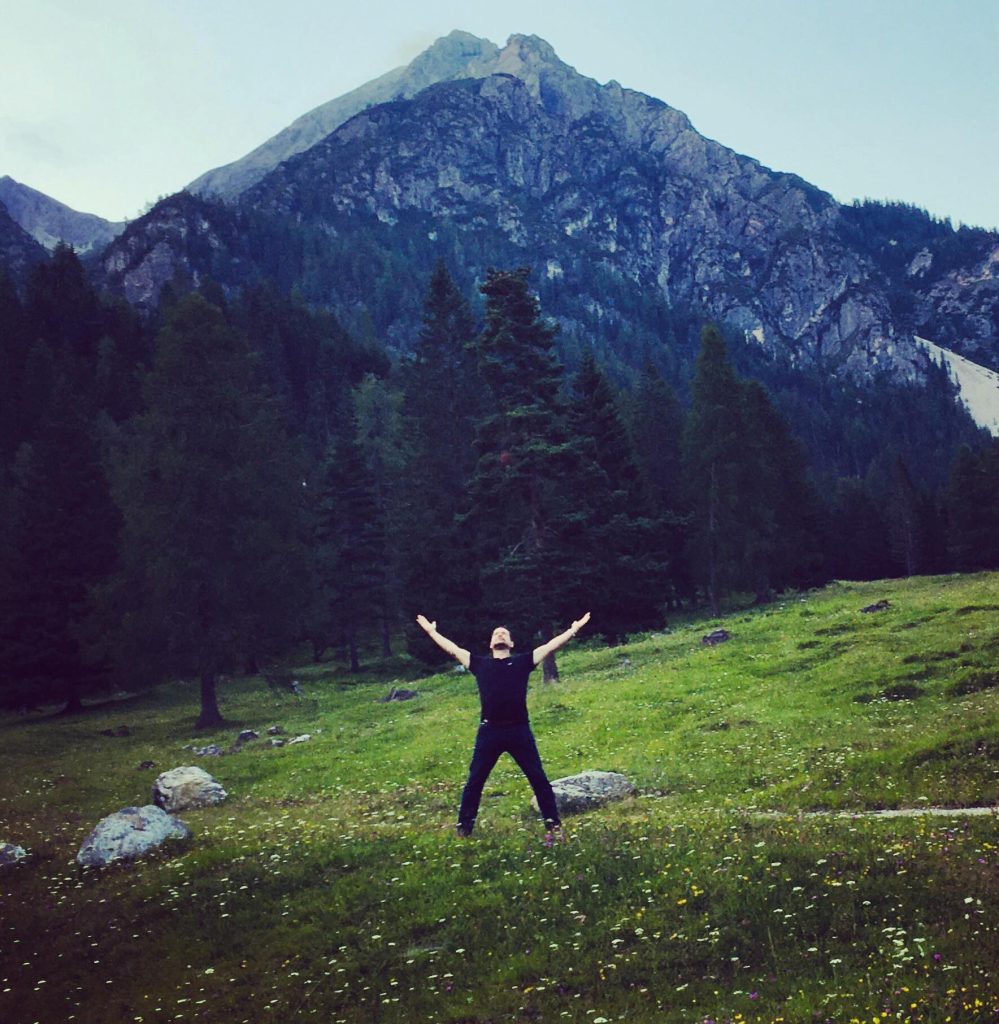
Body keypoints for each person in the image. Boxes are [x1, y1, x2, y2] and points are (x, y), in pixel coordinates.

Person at [415, 612, 591, 839]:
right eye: (496, 633)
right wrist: (431, 632)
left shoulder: (522, 661)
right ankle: (464, 829)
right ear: (491, 644)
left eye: (504, 633)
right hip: (490, 731)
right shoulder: (479, 664)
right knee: (475, 781)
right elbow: (452, 649)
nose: (500, 634)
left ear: (511, 643)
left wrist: (573, 629)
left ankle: (554, 826)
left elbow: (550, 646)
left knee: (538, 778)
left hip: (519, 730)